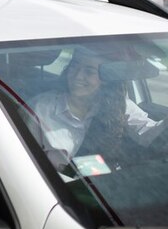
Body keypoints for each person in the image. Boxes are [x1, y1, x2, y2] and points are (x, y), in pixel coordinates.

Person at [29, 46, 167, 168]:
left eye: (89, 72)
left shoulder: (118, 105)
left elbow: (149, 134)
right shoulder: (41, 108)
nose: (78, 76)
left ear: (106, 78)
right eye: (74, 66)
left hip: (99, 184)